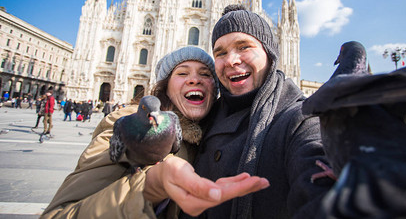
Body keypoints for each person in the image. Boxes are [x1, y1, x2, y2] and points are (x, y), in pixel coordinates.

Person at [42, 46, 268, 218]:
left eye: (205, 74)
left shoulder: (213, 135)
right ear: (165, 86)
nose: (194, 79)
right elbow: (60, 213)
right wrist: (150, 187)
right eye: (182, 73)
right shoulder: (129, 124)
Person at [182, 5, 333, 218]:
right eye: (221, 52)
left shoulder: (298, 117)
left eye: (243, 47)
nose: (231, 60)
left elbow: (315, 159)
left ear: (269, 54)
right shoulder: (204, 117)